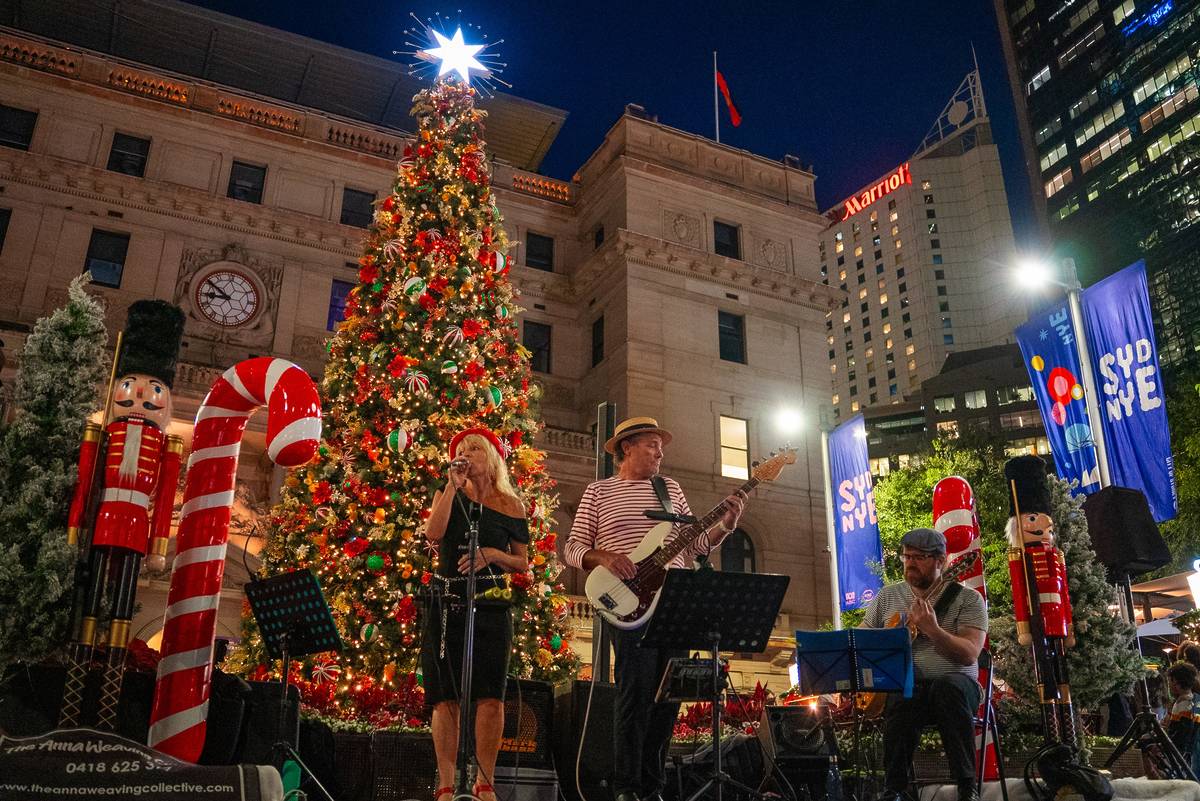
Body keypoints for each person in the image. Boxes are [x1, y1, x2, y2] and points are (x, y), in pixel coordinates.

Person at [564, 416, 745, 801]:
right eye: (651, 444)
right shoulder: (599, 492)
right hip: (625, 601)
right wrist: (607, 557)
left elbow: (694, 545)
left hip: (673, 601)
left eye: (660, 446)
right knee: (636, 691)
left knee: (670, 695)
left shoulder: (671, 489)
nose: (660, 452)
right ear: (627, 447)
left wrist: (725, 526)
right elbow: (573, 548)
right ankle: (627, 787)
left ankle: (653, 786)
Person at [422, 428, 530, 801]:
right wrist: (452, 487)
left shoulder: (511, 504)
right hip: (447, 603)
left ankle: (485, 782)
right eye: (461, 450)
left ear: (493, 457)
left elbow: (523, 562)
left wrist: (493, 555)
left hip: (491, 605)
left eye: (474, 449)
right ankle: (446, 784)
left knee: (490, 696)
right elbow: (434, 535)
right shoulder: (447, 490)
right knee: (445, 695)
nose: (466, 454)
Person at [861, 528, 988, 801]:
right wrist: (892, 640)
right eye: (907, 556)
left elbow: (969, 653)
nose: (910, 563)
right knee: (903, 694)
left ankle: (967, 788)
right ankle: (894, 790)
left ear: (940, 561)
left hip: (958, 687)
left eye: (919, 557)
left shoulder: (967, 599)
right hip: (911, 688)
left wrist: (933, 630)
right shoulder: (887, 597)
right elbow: (861, 640)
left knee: (947, 688)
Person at [1165, 662, 1200, 765]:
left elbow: (1179, 734)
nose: (1169, 685)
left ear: (1176, 682)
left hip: (1183, 755)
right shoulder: (1195, 698)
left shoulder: (1182, 703)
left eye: (1170, 681)